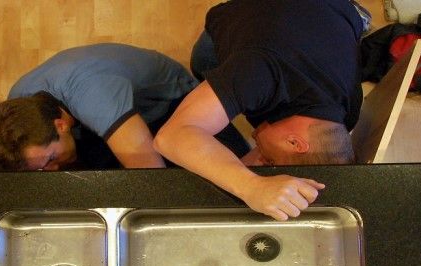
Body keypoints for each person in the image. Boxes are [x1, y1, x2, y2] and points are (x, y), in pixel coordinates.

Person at [154, 0, 364, 221]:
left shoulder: (348, 111)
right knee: (203, 60)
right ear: (295, 143)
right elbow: (171, 136)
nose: (261, 159)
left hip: (332, 11)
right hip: (254, 10)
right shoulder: (257, 72)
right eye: (270, 161)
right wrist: (252, 186)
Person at [0, 43, 248, 171]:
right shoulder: (19, 100)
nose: (51, 170)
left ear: (60, 125)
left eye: (50, 160)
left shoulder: (95, 98)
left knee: (235, 169)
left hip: (169, 102)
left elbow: (151, 175)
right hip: (109, 110)